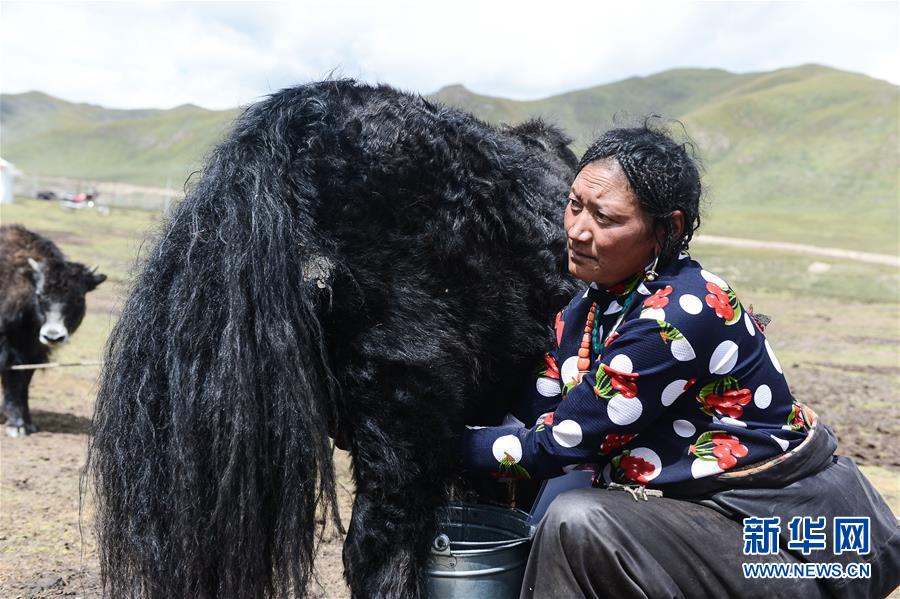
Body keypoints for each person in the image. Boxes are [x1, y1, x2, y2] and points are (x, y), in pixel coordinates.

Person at [459, 123, 900, 598]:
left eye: (605, 219)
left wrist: (426, 446)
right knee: (556, 508)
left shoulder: (678, 317)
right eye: (574, 205)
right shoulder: (590, 308)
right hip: (697, 523)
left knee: (578, 519)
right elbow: (535, 409)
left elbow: (557, 444)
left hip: (774, 547)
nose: (578, 231)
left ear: (665, 229)